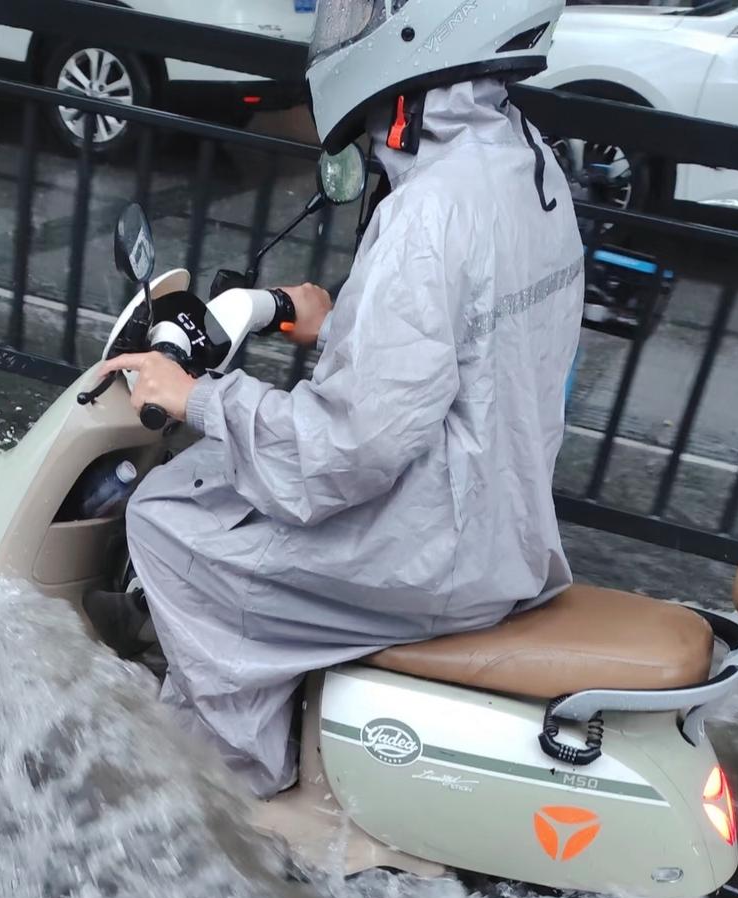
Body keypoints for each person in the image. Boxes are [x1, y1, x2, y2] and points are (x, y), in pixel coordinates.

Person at [90, 0, 584, 798]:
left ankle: (229, 784)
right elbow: (475, 350)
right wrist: (334, 324)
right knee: (222, 492)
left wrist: (198, 397)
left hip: (433, 553)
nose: (341, 31)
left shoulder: (428, 210)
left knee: (169, 520)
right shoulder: (527, 163)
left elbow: (349, 450)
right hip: (506, 525)